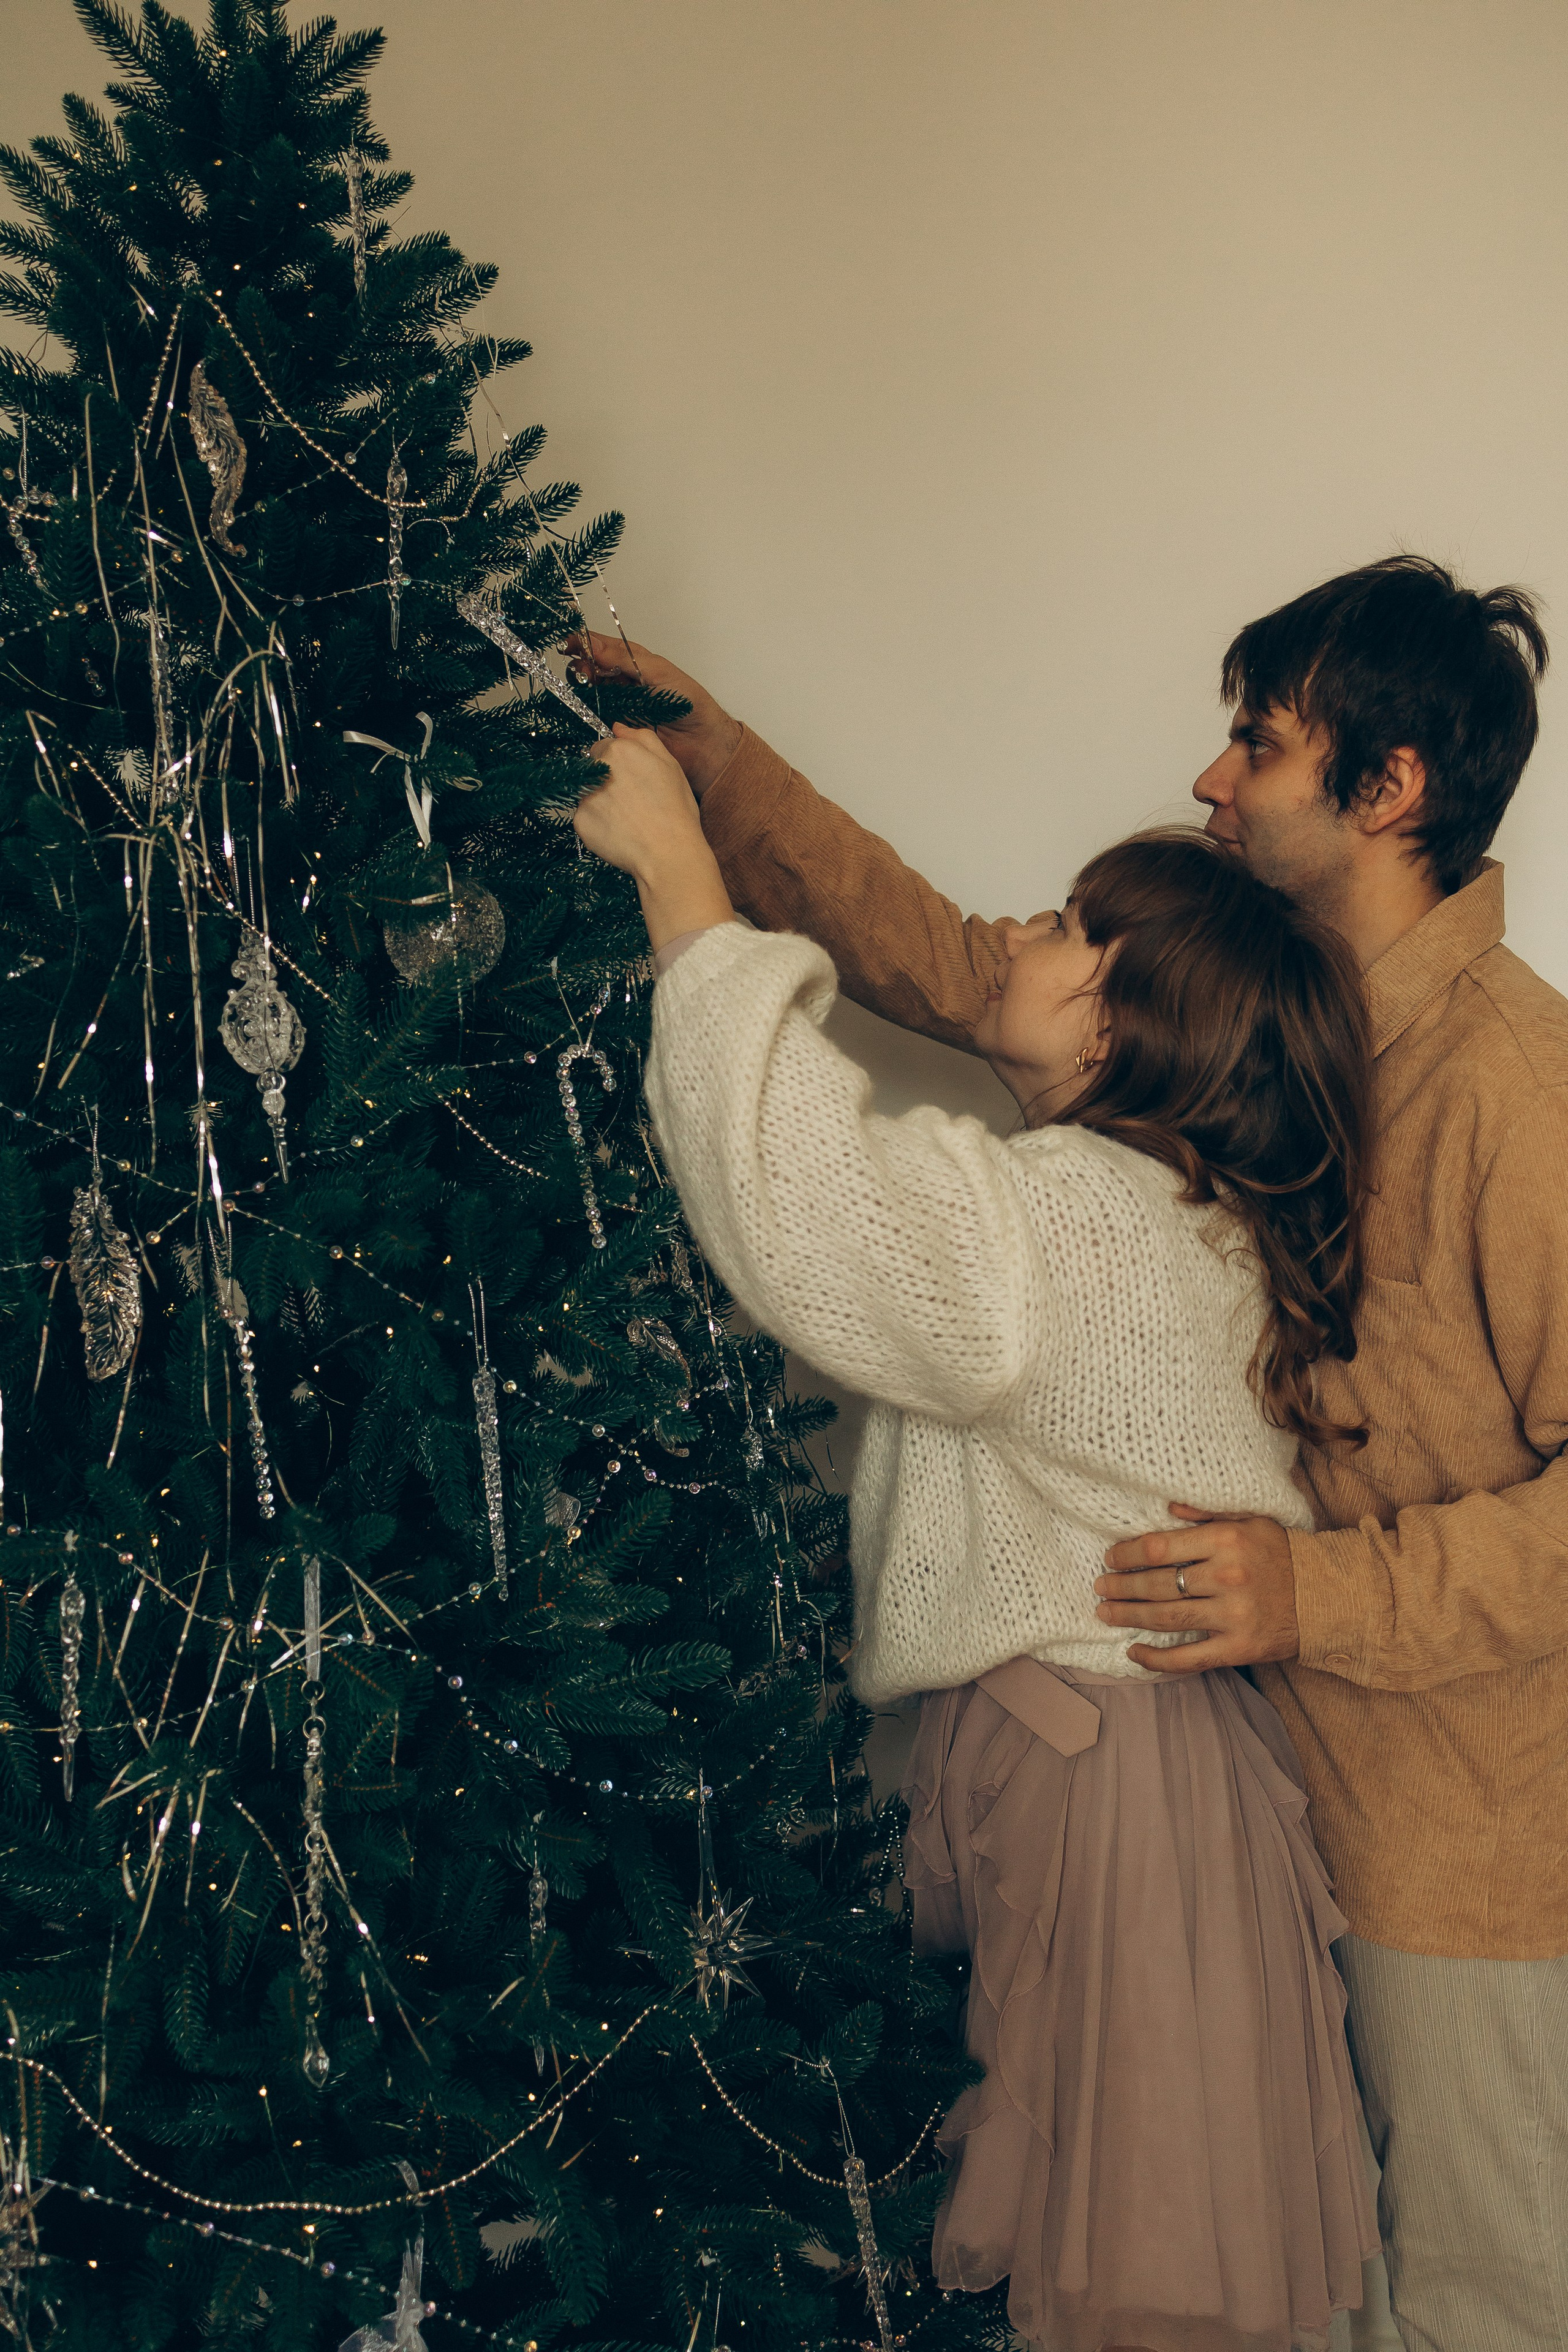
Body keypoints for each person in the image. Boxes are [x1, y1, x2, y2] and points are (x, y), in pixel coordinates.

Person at [568, 554, 1568, 2352]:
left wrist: (1315, 1587)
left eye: (1255, 744)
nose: (1210, 779)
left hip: (1455, 1839)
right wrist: (716, 772)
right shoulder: (1224, 1048)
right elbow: (963, 967)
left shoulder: (1514, 1085)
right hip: (1253, 1780)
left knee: (1464, 2307)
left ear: (1390, 787)